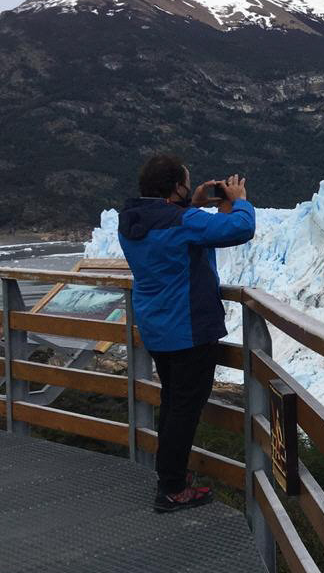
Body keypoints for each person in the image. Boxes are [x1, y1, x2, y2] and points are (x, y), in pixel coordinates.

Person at [117, 154, 255, 513]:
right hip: (189, 330)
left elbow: (182, 241)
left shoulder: (132, 220)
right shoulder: (181, 222)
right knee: (184, 410)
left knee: (173, 404)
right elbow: (239, 230)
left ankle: (170, 480)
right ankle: (172, 489)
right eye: (187, 183)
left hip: (158, 329)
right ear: (177, 187)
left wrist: (192, 205)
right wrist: (238, 200)